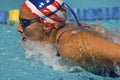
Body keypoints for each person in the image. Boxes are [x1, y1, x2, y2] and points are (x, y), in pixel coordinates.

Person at [17, 0, 120, 77]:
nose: (19, 28)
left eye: (24, 23)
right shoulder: (66, 34)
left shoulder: (71, 45)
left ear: (47, 25)